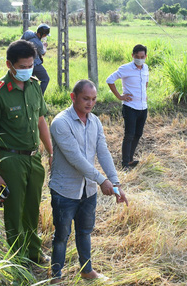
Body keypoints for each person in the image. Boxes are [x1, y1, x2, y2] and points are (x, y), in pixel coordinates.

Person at [49, 79, 129, 284]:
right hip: (65, 190)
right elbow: (76, 159)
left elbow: (103, 152)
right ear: (73, 97)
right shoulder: (61, 123)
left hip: (88, 190)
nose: (90, 103)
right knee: (61, 236)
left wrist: (115, 182)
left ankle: (87, 270)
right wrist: (103, 180)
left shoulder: (94, 121)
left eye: (93, 99)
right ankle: (56, 276)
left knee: (84, 232)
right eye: (86, 98)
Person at [0, 39, 53, 264]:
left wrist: (51, 151)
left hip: (33, 159)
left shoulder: (34, 85)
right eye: (22, 67)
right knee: (14, 211)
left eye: (30, 65)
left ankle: (34, 251)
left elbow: (41, 120)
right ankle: (18, 258)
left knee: (32, 208)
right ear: (9, 65)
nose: (27, 70)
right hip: (10, 158)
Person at [106, 44, 149, 168]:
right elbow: (110, 80)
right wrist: (120, 96)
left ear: (146, 56)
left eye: (142, 56)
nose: (140, 59)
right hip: (130, 107)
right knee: (129, 135)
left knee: (138, 134)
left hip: (143, 107)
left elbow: (145, 82)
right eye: (137, 56)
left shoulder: (145, 68)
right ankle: (125, 163)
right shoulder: (126, 68)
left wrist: (144, 94)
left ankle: (130, 159)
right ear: (132, 56)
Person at [21, 23, 50, 95]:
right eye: (45, 35)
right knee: (45, 79)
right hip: (35, 63)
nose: (45, 37)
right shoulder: (39, 43)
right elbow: (43, 53)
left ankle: (28, 96)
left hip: (23, 62)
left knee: (30, 82)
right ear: (42, 34)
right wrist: (45, 46)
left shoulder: (28, 33)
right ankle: (38, 96)